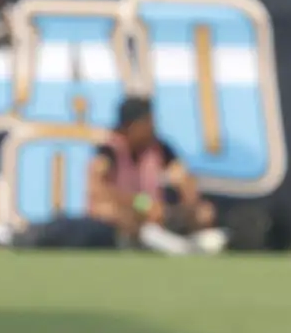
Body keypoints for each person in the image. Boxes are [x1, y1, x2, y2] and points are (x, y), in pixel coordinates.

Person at [85, 96, 224, 253]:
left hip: (157, 212)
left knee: (203, 212)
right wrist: (141, 203)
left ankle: (183, 239)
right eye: (147, 122)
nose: (152, 127)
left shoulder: (160, 148)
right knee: (109, 212)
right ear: (131, 126)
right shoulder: (108, 151)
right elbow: (98, 190)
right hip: (126, 210)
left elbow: (183, 178)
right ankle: (156, 242)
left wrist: (190, 206)